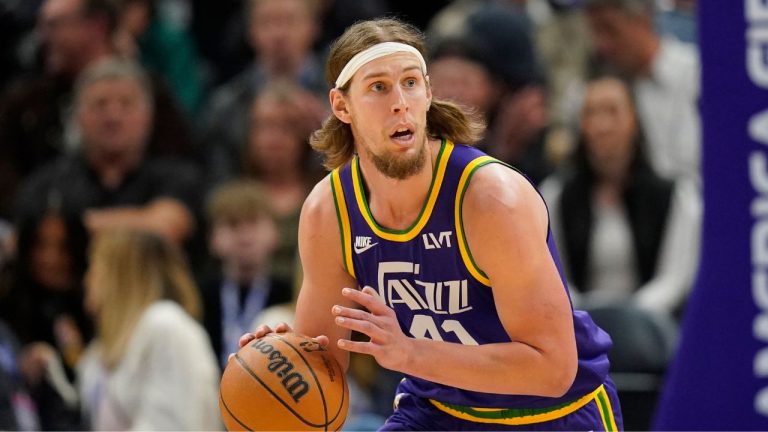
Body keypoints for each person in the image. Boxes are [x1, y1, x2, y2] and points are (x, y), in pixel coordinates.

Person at [239, 18, 622, 430]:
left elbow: (552, 368)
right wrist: (280, 363)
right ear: (341, 106)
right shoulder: (328, 211)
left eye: (410, 83)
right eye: (378, 87)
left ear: (428, 93)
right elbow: (326, 363)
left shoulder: (490, 199)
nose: (400, 102)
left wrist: (410, 354)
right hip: (437, 412)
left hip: (551, 413)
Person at [539, 75, 700, 317]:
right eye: (591, 113)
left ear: (634, 119)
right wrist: (585, 314)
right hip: (578, 324)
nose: (602, 126)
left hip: (651, 325)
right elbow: (552, 271)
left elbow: (674, 280)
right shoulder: (555, 195)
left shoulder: (676, 196)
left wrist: (628, 317)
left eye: (612, 112)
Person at [78, 229, 221, 430]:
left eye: (95, 268)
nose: (87, 280)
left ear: (123, 276)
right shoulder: (100, 348)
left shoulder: (166, 325)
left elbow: (173, 425)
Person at [200, 180, 293, 368]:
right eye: (233, 224)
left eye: (253, 222)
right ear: (213, 237)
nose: (244, 235)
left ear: (275, 232)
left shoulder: (290, 293)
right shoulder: (199, 295)